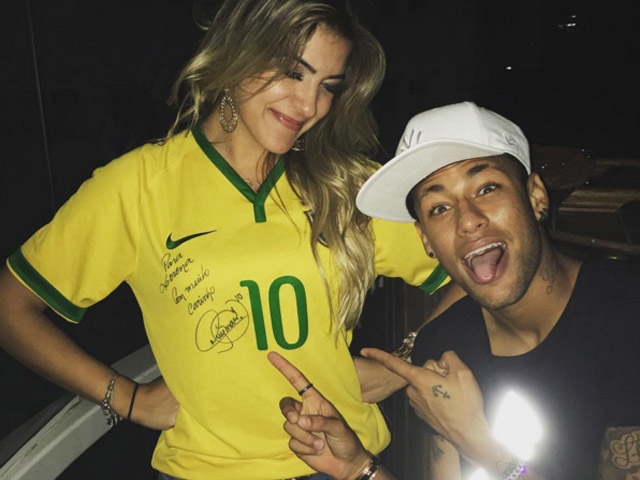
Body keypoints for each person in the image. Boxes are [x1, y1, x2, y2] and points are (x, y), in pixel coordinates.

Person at [0, 2, 456, 480]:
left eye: (327, 86)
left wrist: (403, 361)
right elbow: (12, 308)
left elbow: (472, 274)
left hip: (345, 464)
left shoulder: (345, 186)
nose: (309, 105)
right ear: (239, 54)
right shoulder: (140, 186)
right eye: (293, 73)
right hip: (206, 470)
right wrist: (129, 398)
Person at [275, 102, 640, 479]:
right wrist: (357, 467)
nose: (467, 220)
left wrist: (477, 441)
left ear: (535, 196)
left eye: (486, 188)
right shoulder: (445, 345)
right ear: (425, 239)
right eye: (439, 207)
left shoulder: (627, 314)